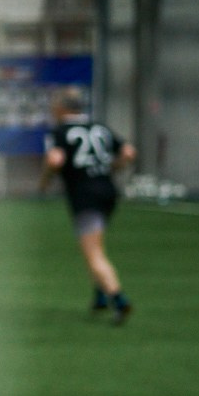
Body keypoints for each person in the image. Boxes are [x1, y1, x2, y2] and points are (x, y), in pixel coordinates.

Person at [44, 87, 136, 325]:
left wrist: (44, 181)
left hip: (85, 195)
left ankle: (118, 298)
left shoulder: (60, 131)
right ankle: (99, 297)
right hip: (108, 192)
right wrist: (111, 168)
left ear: (63, 108)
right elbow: (128, 152)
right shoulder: (99, 127)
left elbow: (55, 160)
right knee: (95, 245)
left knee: (93, 252)